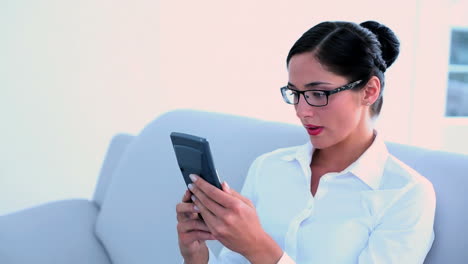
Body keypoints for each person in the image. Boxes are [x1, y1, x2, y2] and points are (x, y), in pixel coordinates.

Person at [176, 21, 436, 264]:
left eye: (318, 93)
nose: (302, 111)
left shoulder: (406, 195)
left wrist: (259, 247)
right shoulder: (268, 167)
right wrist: (197, 256)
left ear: (369, 91)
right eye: (295, 94)